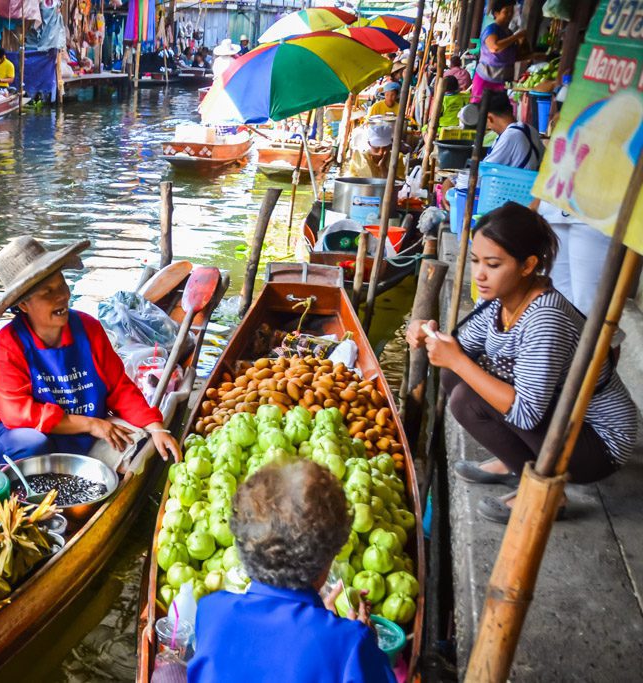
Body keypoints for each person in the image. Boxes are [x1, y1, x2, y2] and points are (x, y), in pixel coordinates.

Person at [406, 203, 638, 524]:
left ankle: (549, 494)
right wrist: (427, 333)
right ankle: (515, 462)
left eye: (493, 264)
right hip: (560, 416)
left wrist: (457, 360)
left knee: (464, 396)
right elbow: (458, 347)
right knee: (453, 376)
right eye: (475, 261)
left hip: (598, 443)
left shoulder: (545, 318)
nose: (480, 274)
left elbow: (526, 414)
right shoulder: (501, 303)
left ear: (528, 265)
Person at [182, 460, 394, 682]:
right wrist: (366, 643)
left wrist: (327, 624)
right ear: (327, 562)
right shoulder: (353, 645)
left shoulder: (211, 610)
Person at [0, 236, 181, 464]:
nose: (62, 295)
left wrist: (156, 428)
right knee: (35, 445)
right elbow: (18, 414)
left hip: (77, 423)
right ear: (23, 305)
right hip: (12, 431)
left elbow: (119, 388)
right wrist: (91, 424)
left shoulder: (88, 328)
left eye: (62, 284)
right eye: (47, 292)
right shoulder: (8, 344)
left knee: (143, 445)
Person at [440, 93, 543, 208]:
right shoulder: (529, 129)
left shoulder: (511, 136)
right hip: (526, 197)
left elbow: (480, 175)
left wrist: (450, 181)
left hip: (511, 203)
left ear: (489, 118)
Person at [472, 0, 526, 103]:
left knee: (497, 112)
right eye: (506, 12)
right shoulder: (492, 29)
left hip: (503, 81)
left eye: (511, 12)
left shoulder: (509, 33)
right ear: (496, 14)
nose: (510, 15)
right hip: (486, 78)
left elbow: (512, 57)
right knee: (479, 111)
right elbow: (494, 47)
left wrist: (533, 55)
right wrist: (517, 36)